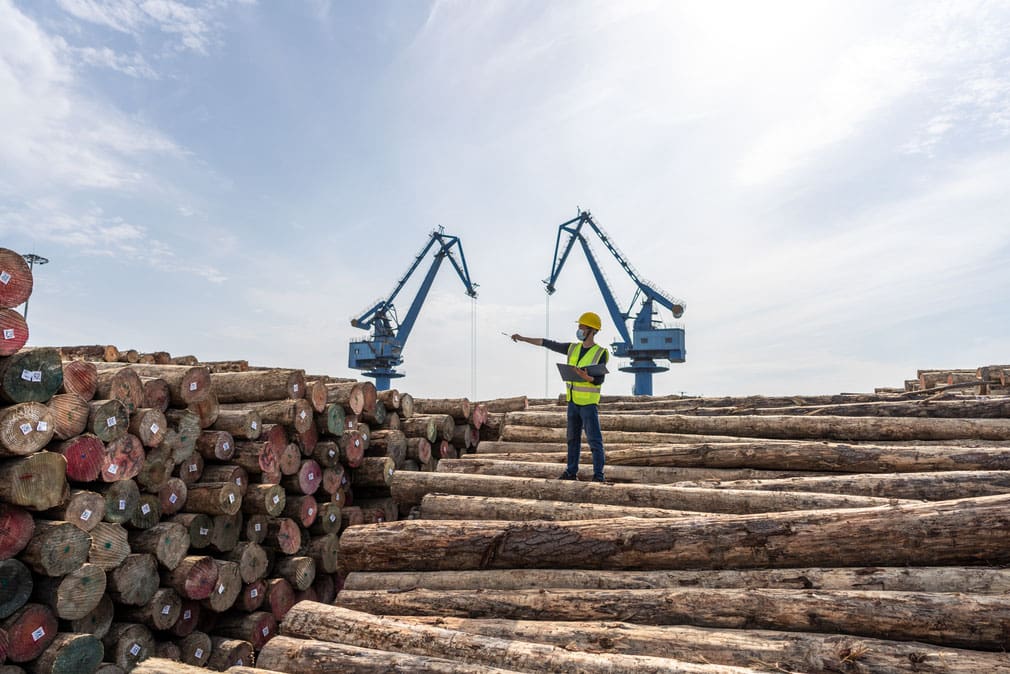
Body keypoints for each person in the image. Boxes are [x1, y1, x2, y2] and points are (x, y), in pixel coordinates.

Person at [511, 311, 609, 482]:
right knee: (572, 439)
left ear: (592, 330)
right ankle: (571, 472)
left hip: (588, 404)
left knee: (594, 441)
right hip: (572, 402)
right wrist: (523, 338)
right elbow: (547, 343)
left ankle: (598, 476)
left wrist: (588, 378)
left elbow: (599, 379)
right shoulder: (572, 348)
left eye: (582, 327)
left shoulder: (601, 352)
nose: (579, 330)